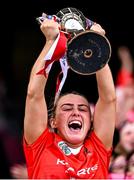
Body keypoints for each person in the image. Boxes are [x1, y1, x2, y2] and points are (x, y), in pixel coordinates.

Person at [23, 13, 116, 179]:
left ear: (91, 120)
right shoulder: (41, 145)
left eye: (82, 108)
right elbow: (34, 95)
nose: (76, 112)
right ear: (53, 121)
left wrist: (97, 45)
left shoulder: (98, 147)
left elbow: (108, 99)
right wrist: (51, 42)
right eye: (67, 108)